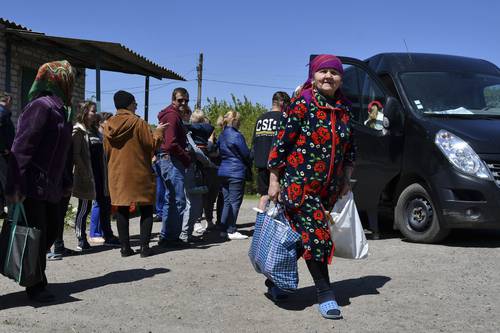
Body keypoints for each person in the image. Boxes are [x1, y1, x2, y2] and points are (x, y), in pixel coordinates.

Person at [268, 54, 355, 319]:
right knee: (318, 235)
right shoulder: (302, 103)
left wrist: (347, 179)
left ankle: (274, 279)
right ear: (313, 76)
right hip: (299, 184)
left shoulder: (345, 109)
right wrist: (274, 180)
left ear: (341, 78)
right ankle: (325, 293)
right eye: (323, 71)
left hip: (327, 188)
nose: (328, 76)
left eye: (334, 72)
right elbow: (281, 143)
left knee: (302, 238)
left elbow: (350, 148)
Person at [5, 60, 75, 302]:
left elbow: (63, 152)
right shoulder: (40, 107)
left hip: (53, 186)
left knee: (52, 230)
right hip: (33, 185)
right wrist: (14, 185)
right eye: (69, 77)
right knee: (36, 232)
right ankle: (36, 285)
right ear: (57, 80)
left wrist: (66, 180)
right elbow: (21, 148)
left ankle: (32, 275)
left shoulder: (63, 109)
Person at [103, 90, 166, 257]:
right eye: (134, 102)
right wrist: (159, 132)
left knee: (121, 209)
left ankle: (125, 248)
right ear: (129, 104)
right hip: (139, 171)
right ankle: (145, 248)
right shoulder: (138, 123)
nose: (136, 105)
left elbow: (106, 150)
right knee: (146, 208)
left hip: (117, 173)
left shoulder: (107, 125)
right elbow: (150, 145)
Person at [157, 88, 192, 247]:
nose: (183, 103)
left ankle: (167, 236)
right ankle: (171, 237)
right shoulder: (172, 115)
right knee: (178, 200)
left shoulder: (172, 115)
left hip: (169, 159)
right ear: (173, 100)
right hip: (172, 160)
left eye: (186, 100)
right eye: (180, 100)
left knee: (170, 199)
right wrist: (186, 157)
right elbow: (171, 143)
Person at [85, 108, 120, 246]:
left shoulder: (103, 136)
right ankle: (94, 233)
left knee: (105, 203)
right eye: (109, 121)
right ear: (101, 122)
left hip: (106, 174)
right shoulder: (95, 136)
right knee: (98, 203)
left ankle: (105, 232)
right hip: (97, 174)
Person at [251, 91, 290, 210]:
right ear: (282, 103)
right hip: (278, 164)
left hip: (261, 163)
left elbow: (254, 142)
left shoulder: (260, 119)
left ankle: (260, 225)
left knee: (264, 196)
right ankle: (280, 226)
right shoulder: (284, 118)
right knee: (281, 196)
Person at [217, 110, 252, 240]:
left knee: (226, 202)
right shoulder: (237, 136)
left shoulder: (222, 134)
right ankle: (231, 229)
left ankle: (222, 229)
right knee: (235, 202)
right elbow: (246, 154)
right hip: (236, 171)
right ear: (236, 121)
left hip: (223, 170)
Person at [71, 101, 98, 251]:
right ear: (85, 112)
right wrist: (85, 172)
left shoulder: (91, 130)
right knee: (83, 208)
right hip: (84, 175)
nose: (95, 113)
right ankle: (80, 238)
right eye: (92, 111)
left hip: (92, 174)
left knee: (86, 207)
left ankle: (83, 236)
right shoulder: (78, 130)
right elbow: (76, 155)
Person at [0, 91, 15, 218]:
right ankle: (11, 213)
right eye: (12, 102)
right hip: (2, 156)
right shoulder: (2, 112)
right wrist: (4, 148)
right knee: (6, 182)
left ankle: (1, 210)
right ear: (8, 100)